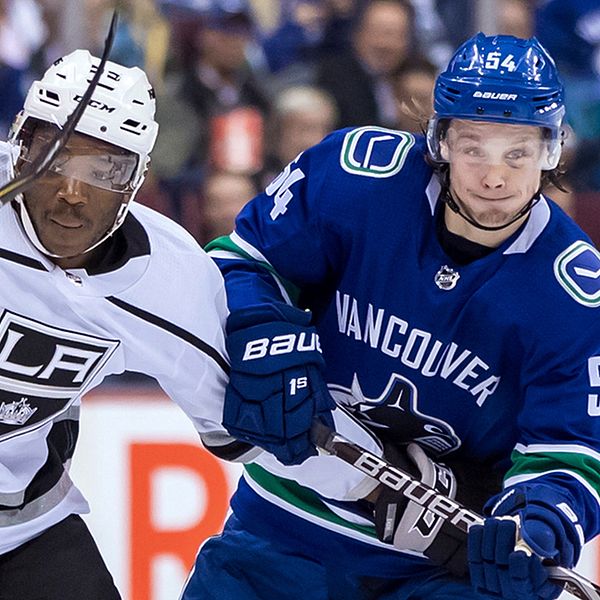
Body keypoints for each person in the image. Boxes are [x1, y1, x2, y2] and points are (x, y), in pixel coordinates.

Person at [183, 33, 600, 600]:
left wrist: (535, 527)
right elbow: (243, 261)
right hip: (286, 527)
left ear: (551, 151)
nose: (494, 177)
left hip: (443, 561)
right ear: (442, 140)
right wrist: (265, 331)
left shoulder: (574, 291)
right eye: (474, 146)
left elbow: (570, 451)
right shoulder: (358, 179)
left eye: (518, 152)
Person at [0, 50, 231, 599]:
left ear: (136, 181)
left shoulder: (174, 282)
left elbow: (253, 427)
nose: (73, 192)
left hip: (22, 529)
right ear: (19, 148)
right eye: (53, 159)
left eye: (105, 171)